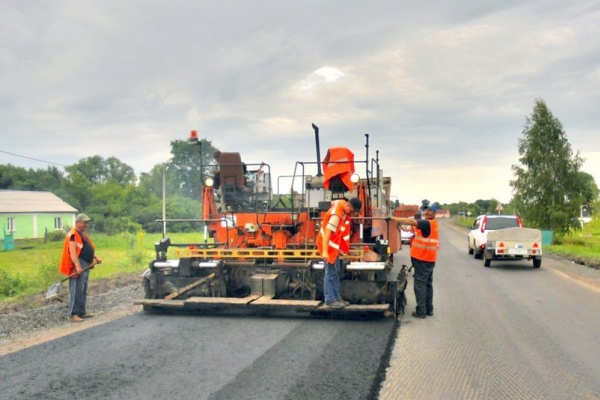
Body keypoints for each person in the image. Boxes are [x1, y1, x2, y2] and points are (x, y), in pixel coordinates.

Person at [390, 204, 439, 318]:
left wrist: (394, 218)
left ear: (434, 213)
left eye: (430, 210)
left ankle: (421, 311)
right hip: (429, 259)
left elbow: (410, 221)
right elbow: (409, 227)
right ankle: (428, 308)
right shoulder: (432, 224)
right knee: (427, 284)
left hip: (422, 258)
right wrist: (399, 225)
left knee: (420, 284)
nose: (427, 212)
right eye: (426, 209)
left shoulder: (427, 223)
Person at [316, 197, 362, 308]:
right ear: (348, 206)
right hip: (328, 246)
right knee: (330, 273)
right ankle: (330, 300)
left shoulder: (343, 209)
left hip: (333, 246)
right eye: (352, 211)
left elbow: (339, 233)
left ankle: (337, 298)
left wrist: (340, 248)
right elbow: (327, 233)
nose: (352, 213)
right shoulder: (336, 215)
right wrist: (325, 252)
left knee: (335, 272)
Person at [59, 213, 103, 322]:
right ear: (77, 222)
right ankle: (73, 314)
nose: (86, 225)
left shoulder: (82, 234)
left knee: (83, 290)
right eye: (84, 222)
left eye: (87, 223)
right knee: (76, 290)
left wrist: (95, 257)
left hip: (86, 264)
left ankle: (82, 312)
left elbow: (85, 249)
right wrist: (77, 266)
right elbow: (73, 252)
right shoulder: (73, 234)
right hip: (77, 265)